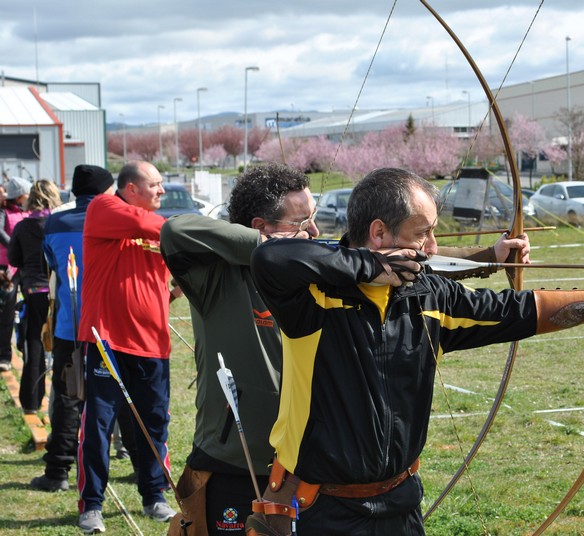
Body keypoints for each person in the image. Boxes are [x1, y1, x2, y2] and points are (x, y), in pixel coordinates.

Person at [249, 167, 584, 535]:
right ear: (379, 233)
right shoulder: (314, 298)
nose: (432, 247)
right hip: (320, 508)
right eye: (422, 233)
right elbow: (270, 256)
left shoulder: (431, 297)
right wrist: (373, 267)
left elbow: (520, 311)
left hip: (400, 503)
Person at [159, 162, 530, 535]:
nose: (315, 232)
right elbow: (176, 230)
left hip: (301, 471)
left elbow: (405, 262)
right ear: (261, 227)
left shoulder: (321, 271)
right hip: (236, 460)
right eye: (302, 222)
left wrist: (488, 256)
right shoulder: (215, 277)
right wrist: (271, 247)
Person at [76, 160, 176, 534]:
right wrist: (181, 231)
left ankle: (155, 496)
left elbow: (167, 283)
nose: (162, 190)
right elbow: (152, 226)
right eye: (155, 184)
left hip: (152, 344)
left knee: (154, 423)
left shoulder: (158, 228)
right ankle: (92, 505)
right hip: (108, 341)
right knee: (99, 425)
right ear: (130, 188)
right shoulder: (104, 207)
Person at [29, 165, 115, 492]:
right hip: (110, 326)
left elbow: (52, 265)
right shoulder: (115, 220)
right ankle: (141, 468)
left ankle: (57, 471)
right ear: (105, 191)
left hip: (70, 324)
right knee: (121, 394)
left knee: (67, 397)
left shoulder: (55, 223)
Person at [8, 180, 62, 414]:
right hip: (58, 289)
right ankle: (64, 402)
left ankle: (31, 401)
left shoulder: (23, 226)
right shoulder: (59, 223)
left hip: (33, 290)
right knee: (63, 345)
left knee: (34, 343)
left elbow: (14, 259)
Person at [0, 177, 31, 372]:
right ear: (19, 196)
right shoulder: (3, 212)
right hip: (7, 269)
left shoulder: (27, 212)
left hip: (25, 267)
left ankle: (28, 352)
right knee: (6, 314)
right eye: (27, 193)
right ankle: (4, 356)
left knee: (29, 310)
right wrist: (15, 246)